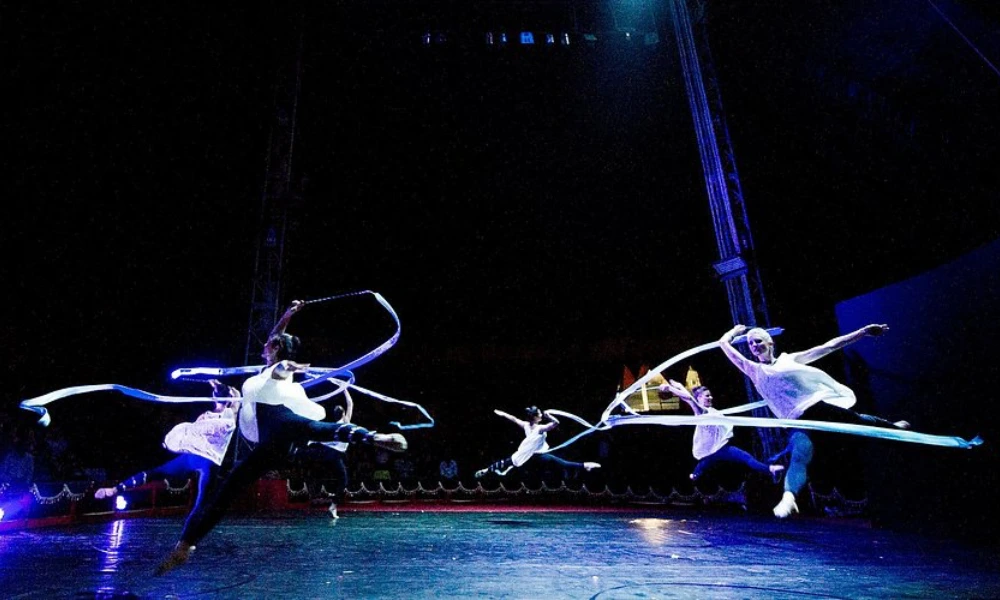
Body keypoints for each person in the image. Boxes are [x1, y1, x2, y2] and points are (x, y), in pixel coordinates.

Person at [158, 300, 408, 574]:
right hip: (279, 441)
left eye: (269, 345)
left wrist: (291, 365)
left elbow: (282, 366)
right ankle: (370, 436)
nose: (264, 345)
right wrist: (289, 314)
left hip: (277, 432)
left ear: (276, 349)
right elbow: (276, 338)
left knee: (235, 485)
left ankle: (185, 545)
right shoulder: (267, 368)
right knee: (309, 431)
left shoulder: (276, 371)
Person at [719, 324, 910, 518]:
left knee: (858, 421)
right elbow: (723, 343)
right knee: (800, 454)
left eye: (758, 341)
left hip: (816, 408)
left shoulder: (789, 359)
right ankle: (789, 498)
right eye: (750, 343)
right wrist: (734, 332)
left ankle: (891, 427)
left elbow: (828, 346)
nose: (754, 345)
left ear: (770, 343)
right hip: (796, 420)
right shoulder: (753, 369)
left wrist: (862, 332)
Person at [94, 380, 240, 518]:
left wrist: (218, 387)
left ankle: (114, 489)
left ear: (214, 399)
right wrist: (225, 389)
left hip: (193, 458)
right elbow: (235, 398)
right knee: (200, 505)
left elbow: (230, 397)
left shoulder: (206, 416)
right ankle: (188, 537)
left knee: (155, 473)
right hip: (207, 461)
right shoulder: (228, 417)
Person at [660, 379, 784, 484]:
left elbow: (689, 396)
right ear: (699, 398)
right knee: (706, 462)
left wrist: (678, 386)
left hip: (720, 448)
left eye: (710, 395)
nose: (711, 397)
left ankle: (770, 469)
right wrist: (671, 389)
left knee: (745, 457)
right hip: (712, 450)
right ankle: (696, 473)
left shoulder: (710, 410)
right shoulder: (701, 411)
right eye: (707, 396)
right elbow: (689, 399)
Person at [474, 406, 600, 480]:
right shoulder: (540, 428)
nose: (541, 415)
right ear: (535, 417)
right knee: (561, 463)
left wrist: (503, 414)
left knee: (509, 462)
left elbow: (513, 418)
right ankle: (584, 465)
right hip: (537, 456)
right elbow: (556, 423)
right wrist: (549, 416)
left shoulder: (525, 425)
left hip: (529, 456)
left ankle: (487, 470)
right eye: (540, 413)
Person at [300, 391, 354, 519]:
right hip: (334, 454)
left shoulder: (332, 426)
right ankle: (333, 506)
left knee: (315, 467)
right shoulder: (345, 422)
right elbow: (350, 403)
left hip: (325, 453)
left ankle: (296, 451)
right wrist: (345, 388)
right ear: (343, 414)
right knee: (343, 480)